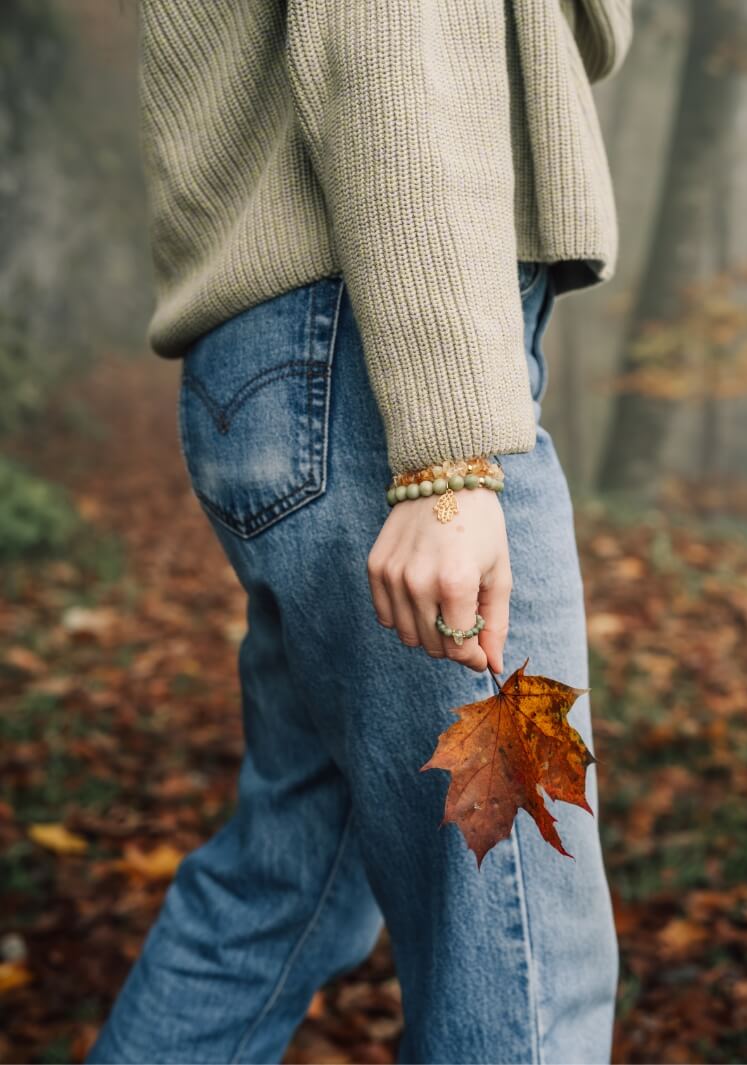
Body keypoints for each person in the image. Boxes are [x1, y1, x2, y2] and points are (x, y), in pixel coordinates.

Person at [88, 1, 633, 1062]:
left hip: (305, 364)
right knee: (531, 949)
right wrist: (446, 458)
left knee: (290, 882)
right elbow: (392, 51)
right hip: (395, 373)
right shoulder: (438, 432)